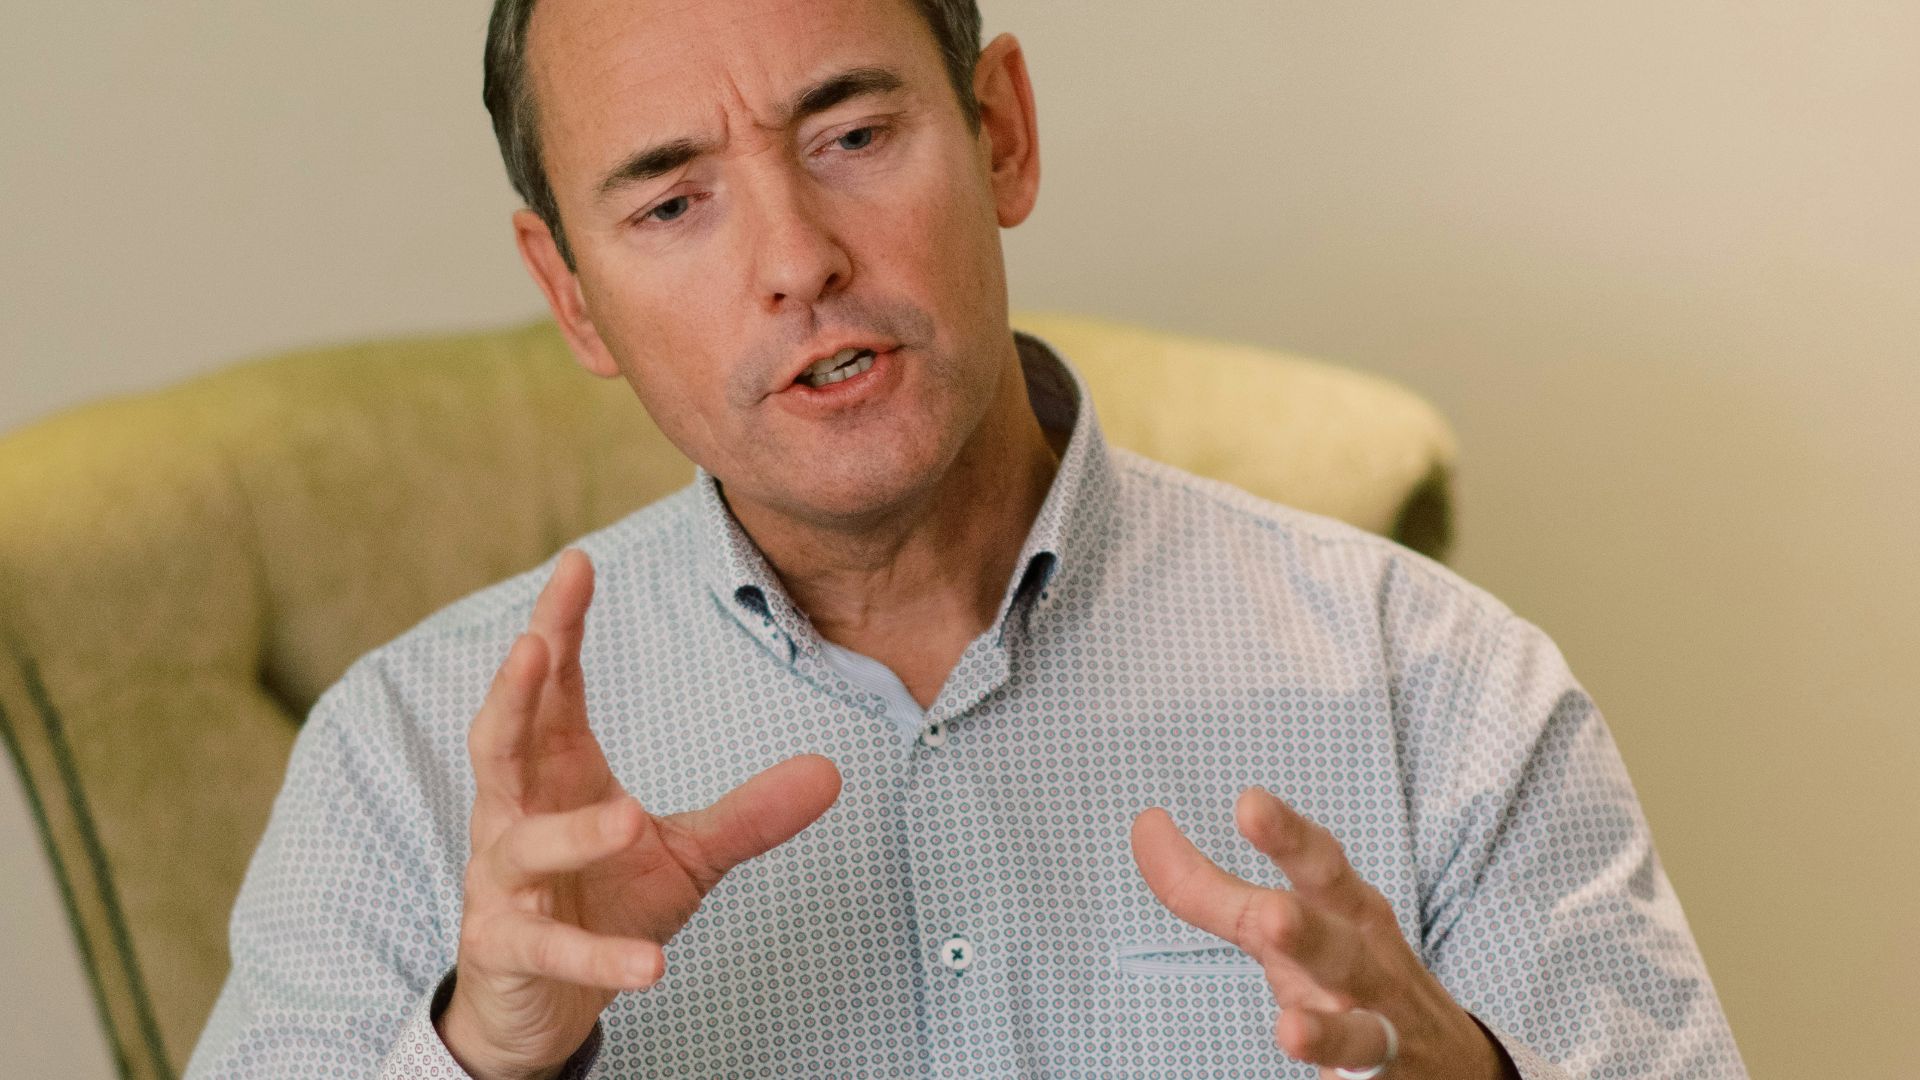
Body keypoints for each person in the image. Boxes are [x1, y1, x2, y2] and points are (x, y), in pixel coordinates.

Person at [186, 0, 1747, 1076]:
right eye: (672, 205)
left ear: (999, 130)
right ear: (571, 292)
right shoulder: (401, 759)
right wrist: (490, 1053)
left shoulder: (1442, 689)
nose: (796, 260)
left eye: (853, 134)